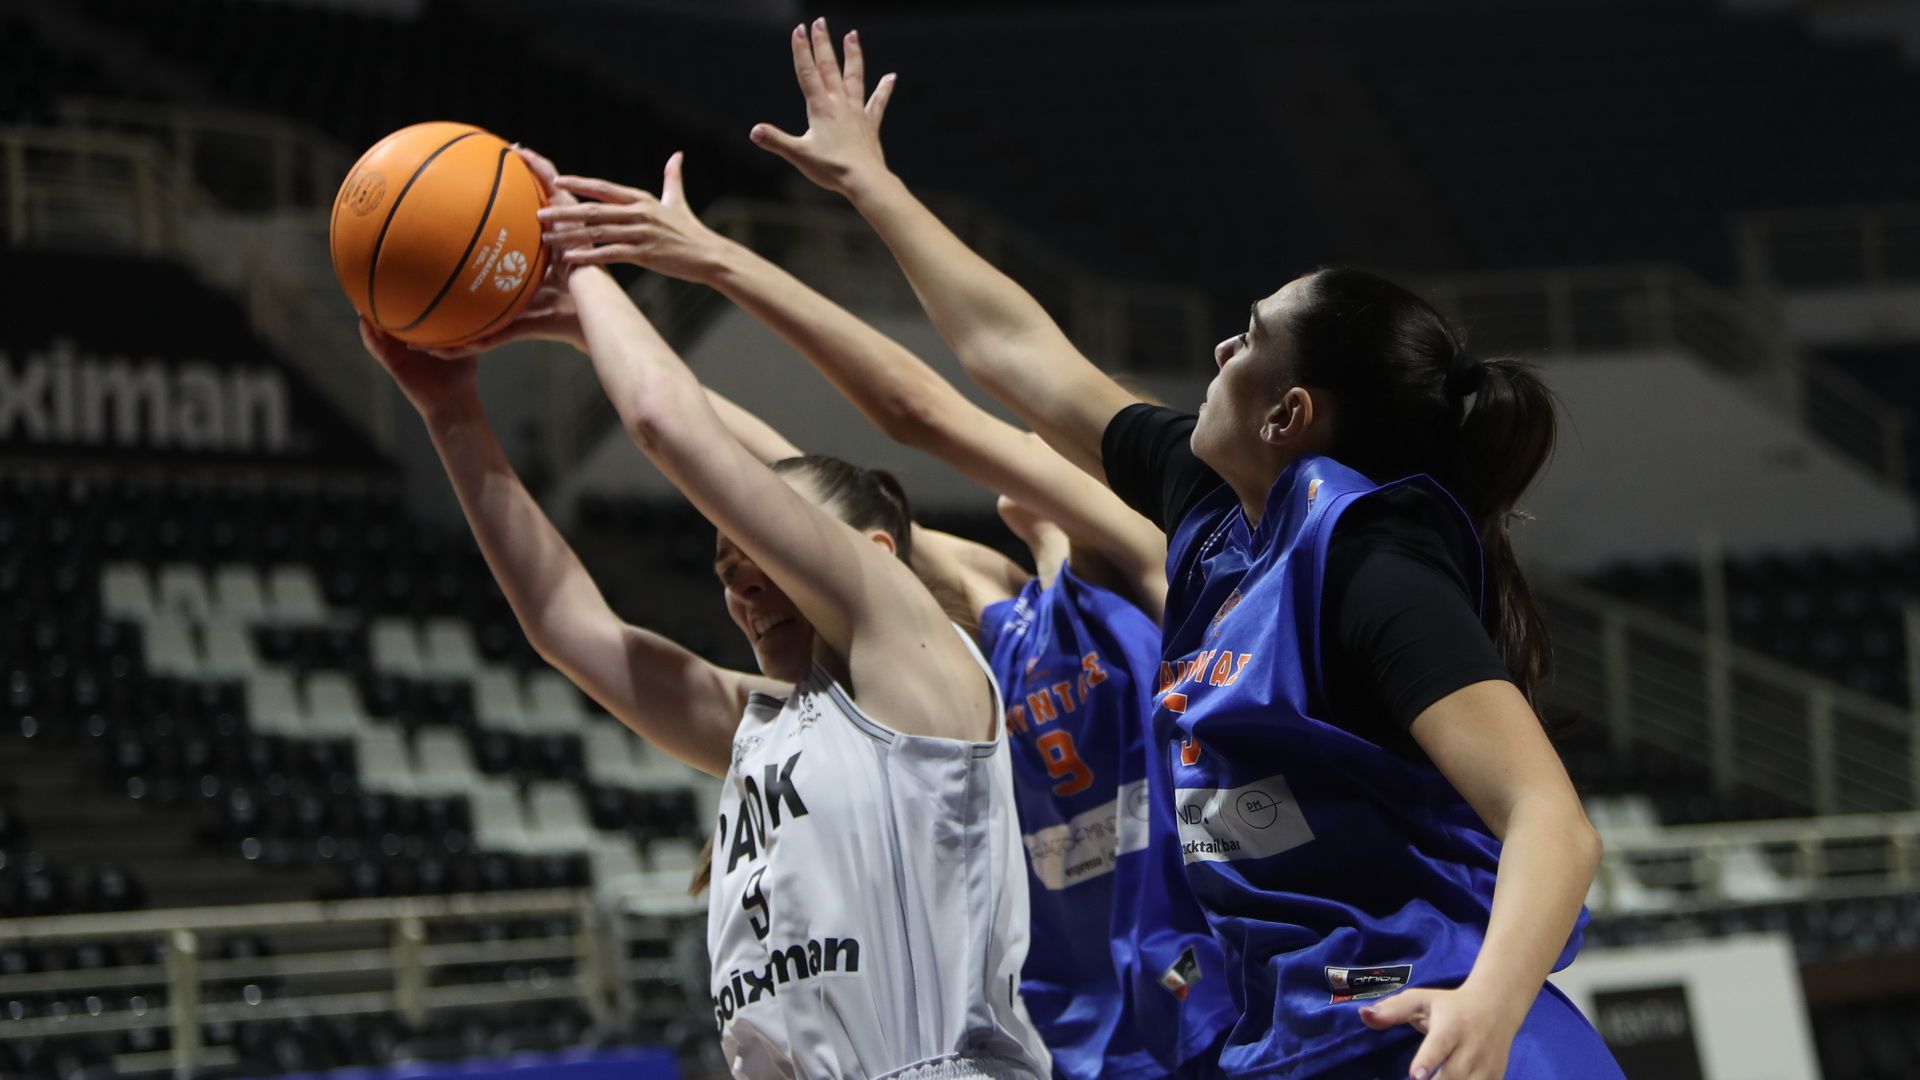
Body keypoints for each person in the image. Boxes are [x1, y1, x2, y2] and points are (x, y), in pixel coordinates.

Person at [747, 19, 1624, 1080]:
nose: (1218, 347)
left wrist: (1488, 1005)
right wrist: (871, 185)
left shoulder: (1370, 564)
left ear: (1288, 414)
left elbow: (1552, 822)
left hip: (1452, 1035)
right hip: (1310, 1037)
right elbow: (1019, 355)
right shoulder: (1216, 514)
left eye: (1248, 337)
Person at [522, 145, 1236, 1078]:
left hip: (1190, 1009)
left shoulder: (1141, 564)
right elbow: (794, 492)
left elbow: (916, 413)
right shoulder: (992, 621)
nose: (1027, 440)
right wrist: (603, 343)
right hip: (1058, 1041)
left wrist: (714, 262)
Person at [362, 150, 1051, 1080]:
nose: (743, 588)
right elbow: (568, 624)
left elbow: (666, 423)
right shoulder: (763, 726)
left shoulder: (918, 654)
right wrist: (450, 412)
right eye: (726, 570)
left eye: (762, 554)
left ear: (874, 557)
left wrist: (578, 266)